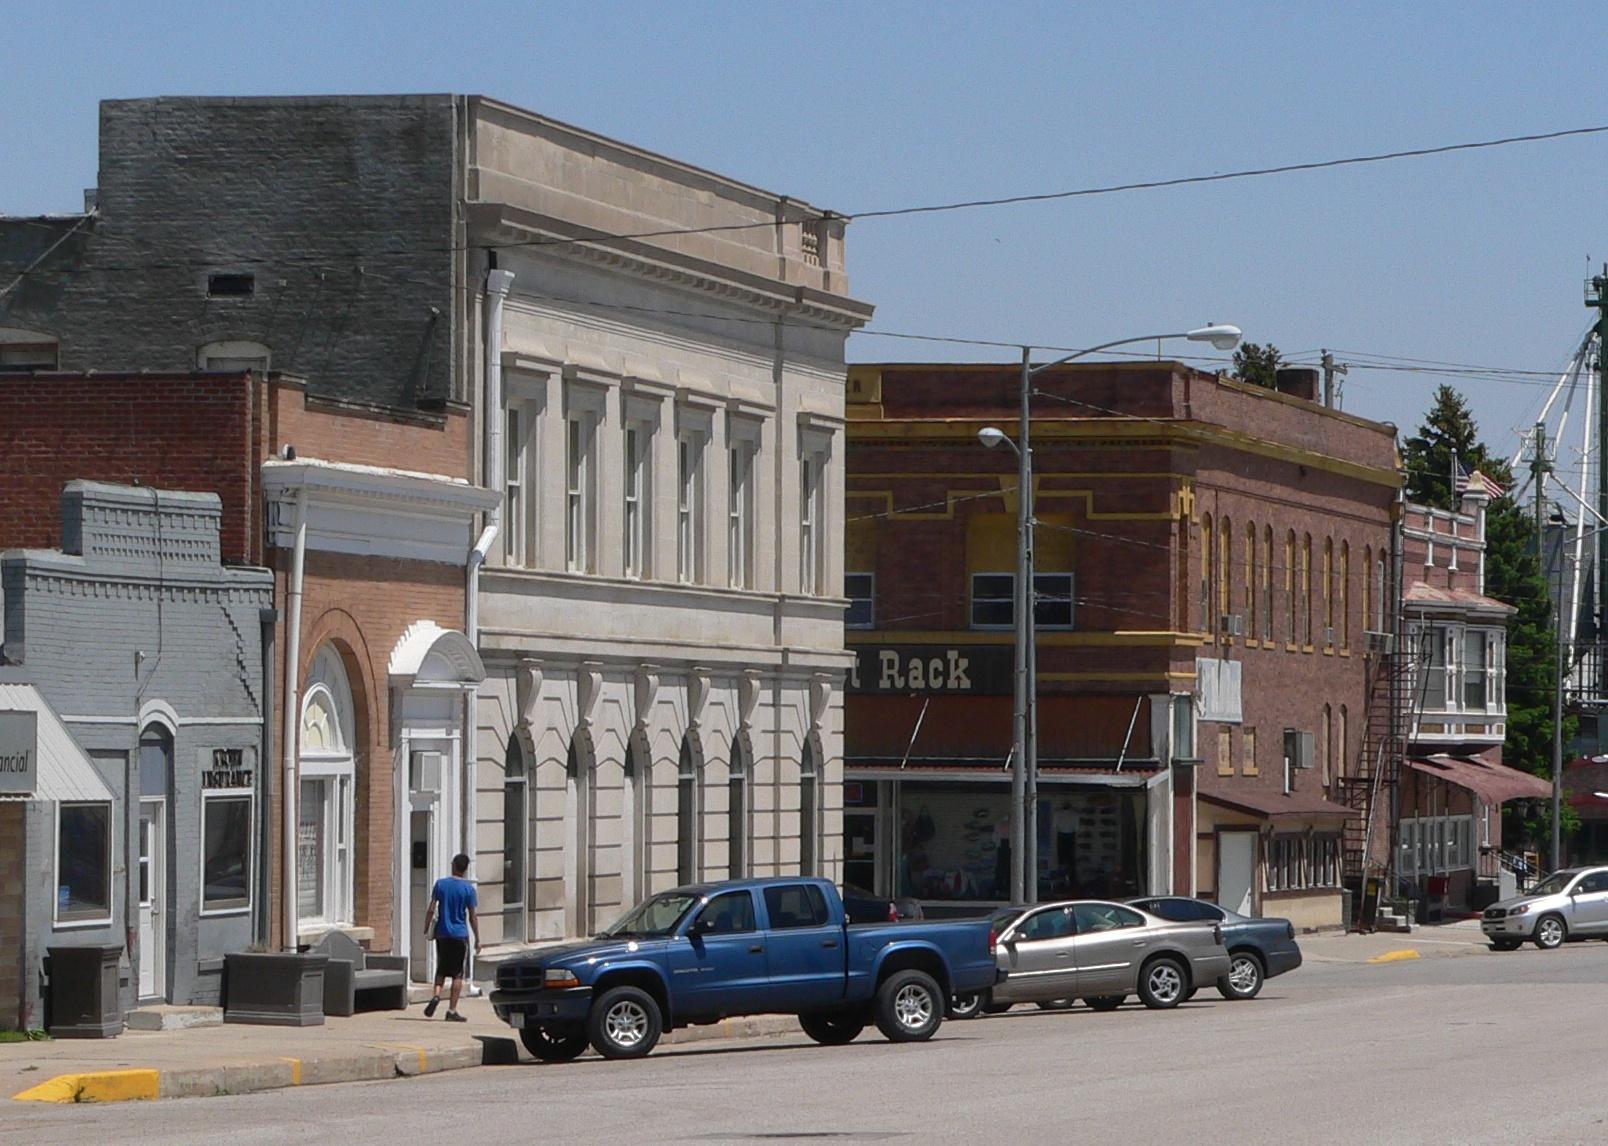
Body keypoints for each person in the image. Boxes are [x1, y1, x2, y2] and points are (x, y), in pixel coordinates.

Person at [422, 853, 481, 1021]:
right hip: (459, 935)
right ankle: (452, 1010)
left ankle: (436, 995)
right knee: (458, 974)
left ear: (454, 865)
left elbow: (431, 908)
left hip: (442, 933)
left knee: (441, 968)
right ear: (465, 869)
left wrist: (426, 927)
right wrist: (477, 938)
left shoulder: (440, 885)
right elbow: (472, 916)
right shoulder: (468, 889)